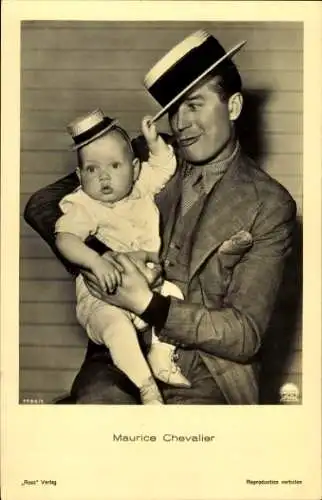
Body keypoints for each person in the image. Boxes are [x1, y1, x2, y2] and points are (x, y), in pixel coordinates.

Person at [24, 29, 297, 405]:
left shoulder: (270, 204)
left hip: (208, 368)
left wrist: (148, 304)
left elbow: (244, 333)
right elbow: (43, 203)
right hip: (122, 347)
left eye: (194, 105)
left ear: (232, 107)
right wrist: (106, 259)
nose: (180, 123)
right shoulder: (151, 156)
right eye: (173, 109)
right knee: (94, 418)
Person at [55, 110, 192, 405]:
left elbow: (164, 167)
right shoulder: (84, 205)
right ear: (80, 176)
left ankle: (161, 357)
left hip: (149, 287)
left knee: (175, 295)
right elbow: (64, 239)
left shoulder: (139, 190)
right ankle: (147, 387)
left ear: (133, 168)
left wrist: (154, 141)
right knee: (117, 329)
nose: (104, 176)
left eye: (114, 166)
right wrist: (95, 261)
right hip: (103, 298)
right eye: (91, 169)